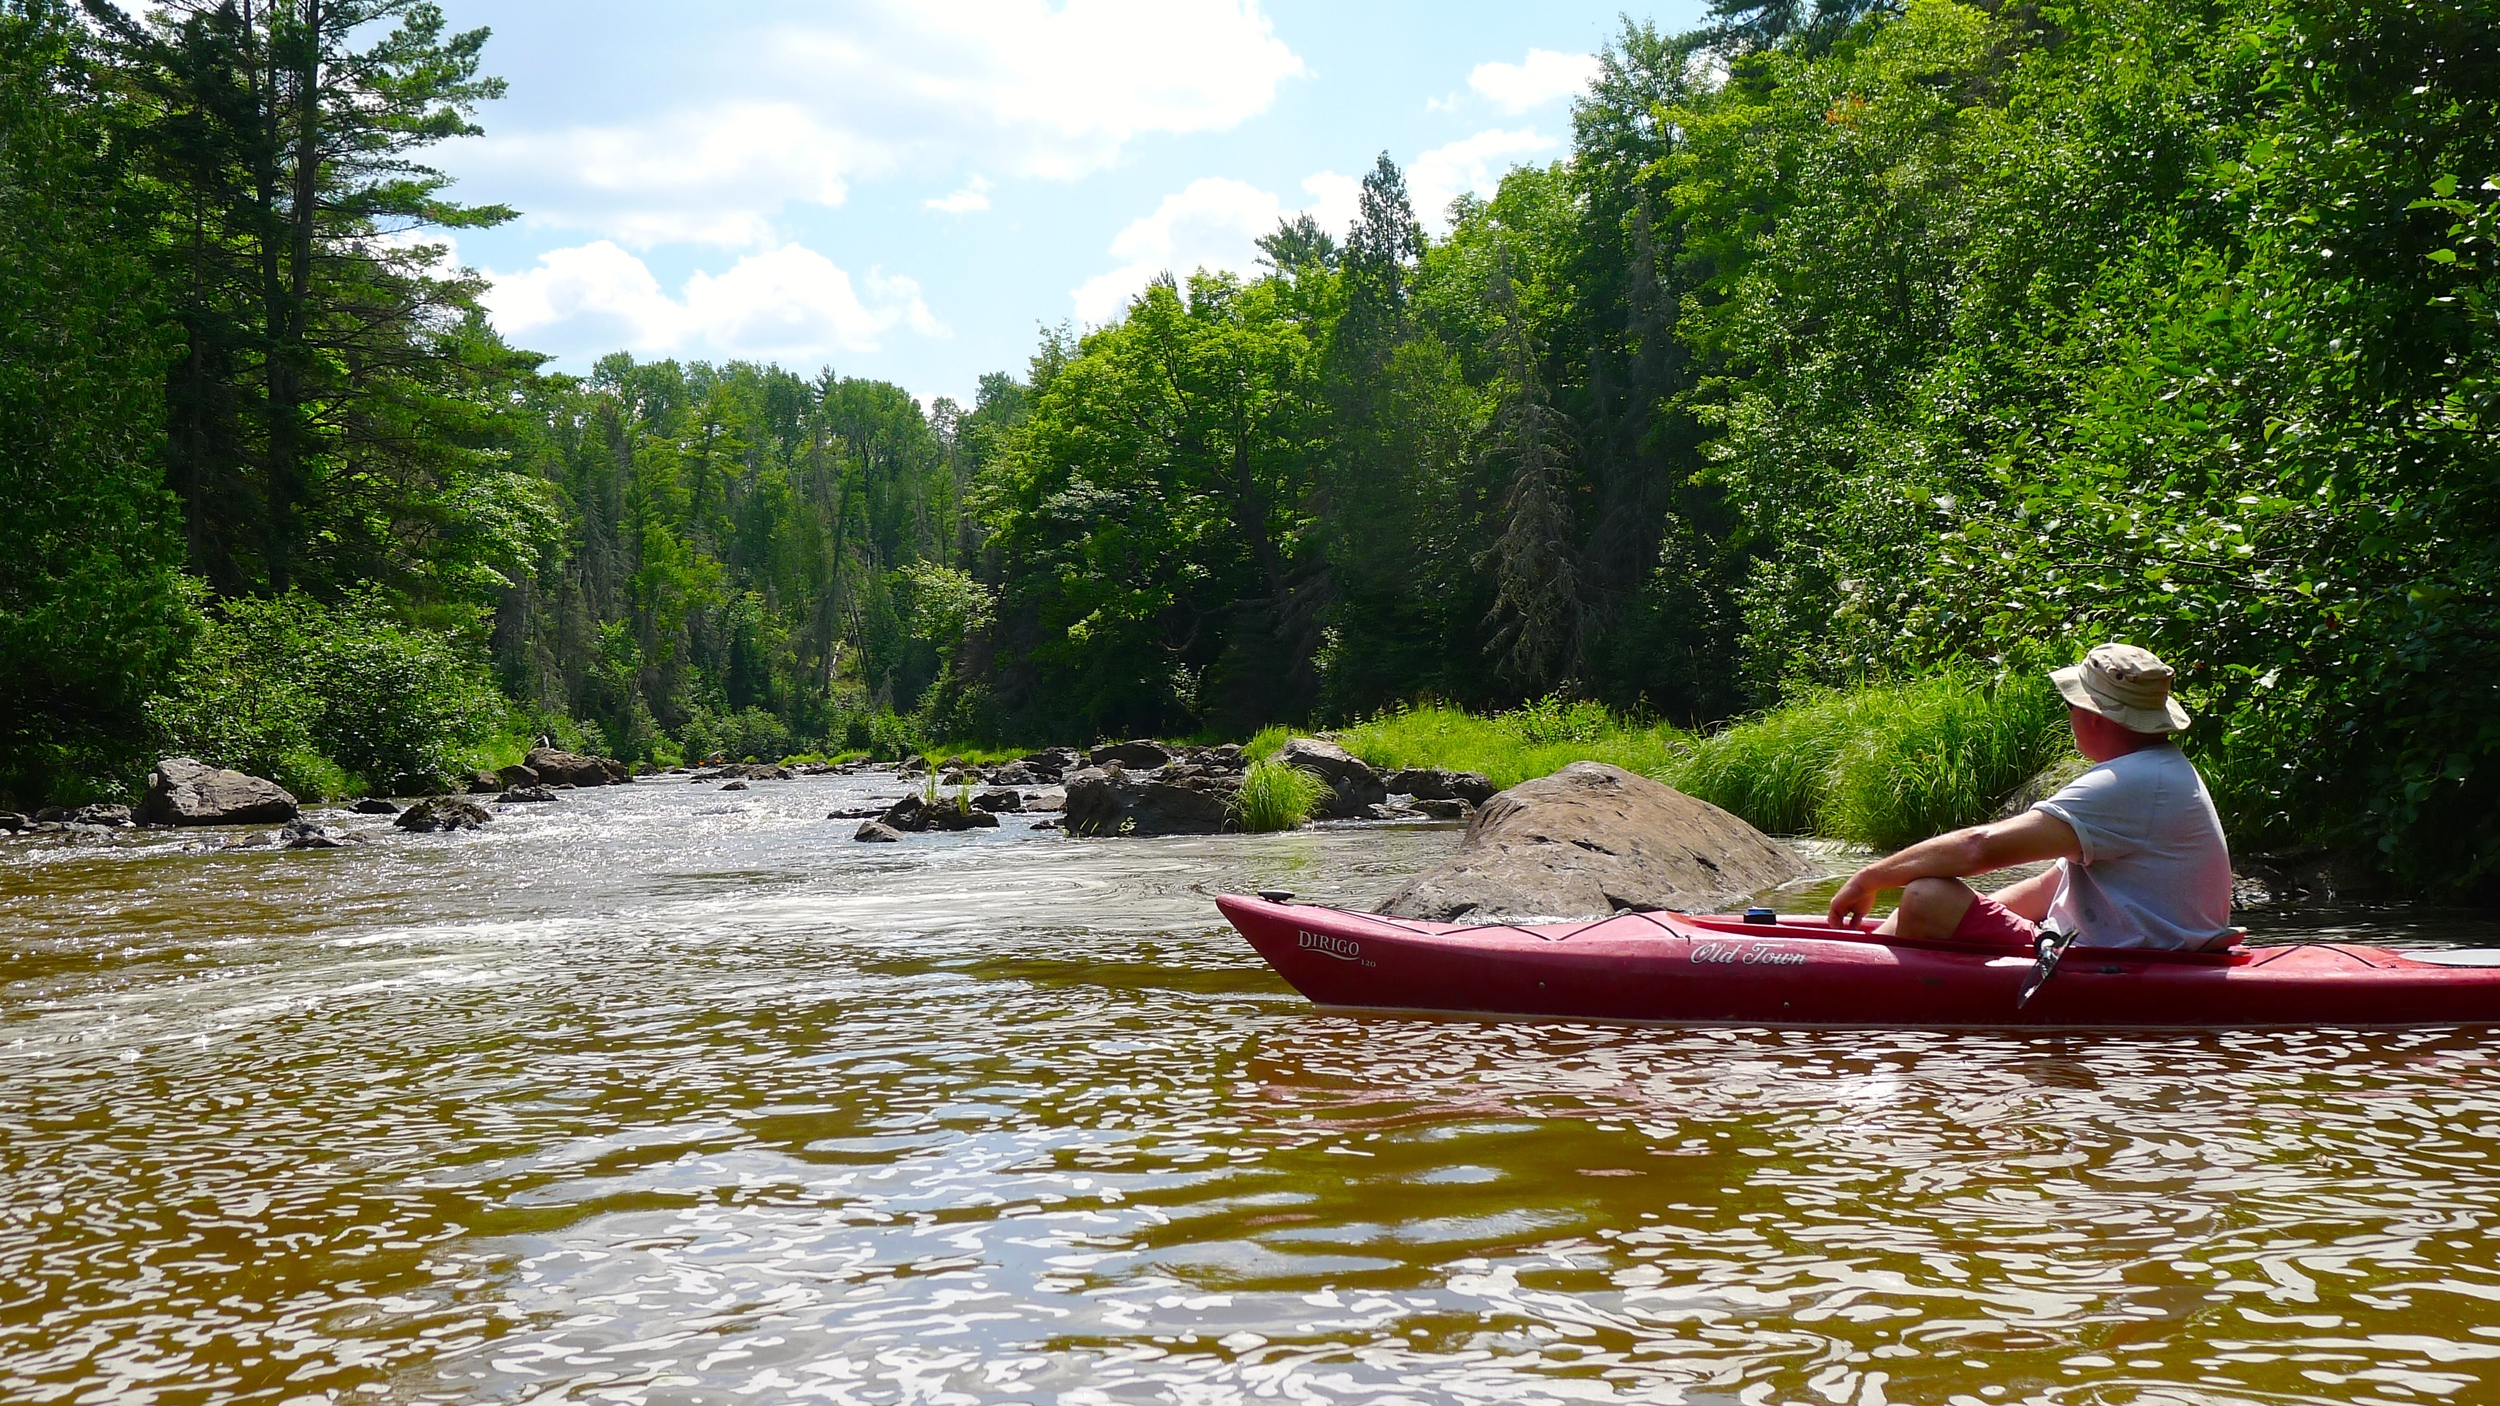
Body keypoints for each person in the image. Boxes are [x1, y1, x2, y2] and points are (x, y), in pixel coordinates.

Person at [1825, 644, 2235, 950]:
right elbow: (2049, 887)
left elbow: (1977, 850)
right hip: (2125, 952)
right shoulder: (2158, 769)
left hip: (2123, 964)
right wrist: (1916, 923)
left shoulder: (2132, 780)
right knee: (1933, 904)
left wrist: (1868, 878)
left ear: (2092, 716)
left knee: (1927, 895)